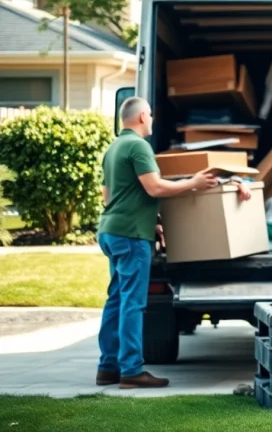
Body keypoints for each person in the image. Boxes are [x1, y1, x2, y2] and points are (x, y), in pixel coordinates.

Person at [96, 97, 251, 389]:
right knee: (133, 302)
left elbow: (109, 196)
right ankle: (131, 370)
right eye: (151, 115)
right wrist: (193, 183)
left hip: (111, 231)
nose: (152, 120)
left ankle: (107, 368)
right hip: (131, 236)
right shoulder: (139, 146)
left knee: (116, 299)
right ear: (142, 117)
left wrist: (150, 218)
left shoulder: (114, 147)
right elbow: (155, 187)